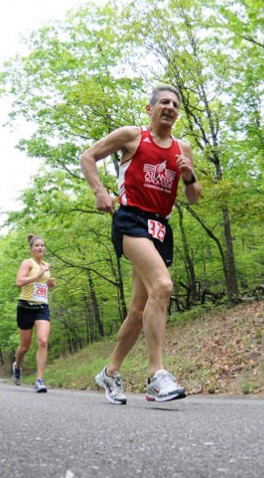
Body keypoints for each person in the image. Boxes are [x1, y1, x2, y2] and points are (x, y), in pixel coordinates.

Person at [80, 84, 202, 403]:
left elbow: (193, 197)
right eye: (163, 101)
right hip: (131, 220)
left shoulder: (182, 149)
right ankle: (156, 374)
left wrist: (189, 177)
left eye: (175, 104)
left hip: (160, 228)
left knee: (137, 311)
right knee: (162, 285)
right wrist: (99, 192)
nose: (170, 107)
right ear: (150, 109)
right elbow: (88, 157)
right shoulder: (132, 136)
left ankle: (109, 373)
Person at [13, 234, 55, 393]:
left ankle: (39, 380)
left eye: (42, 245)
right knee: (24, 347)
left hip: (42, 307)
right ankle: (17, 367)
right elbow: (19, 282)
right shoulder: (27, 263)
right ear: (31, 249)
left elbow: (43, 285)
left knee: (43, 341)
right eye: (37, 245)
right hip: (25, 307)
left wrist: (49, 284)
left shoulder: (47, 265)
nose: (40, 248)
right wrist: (37, 275)